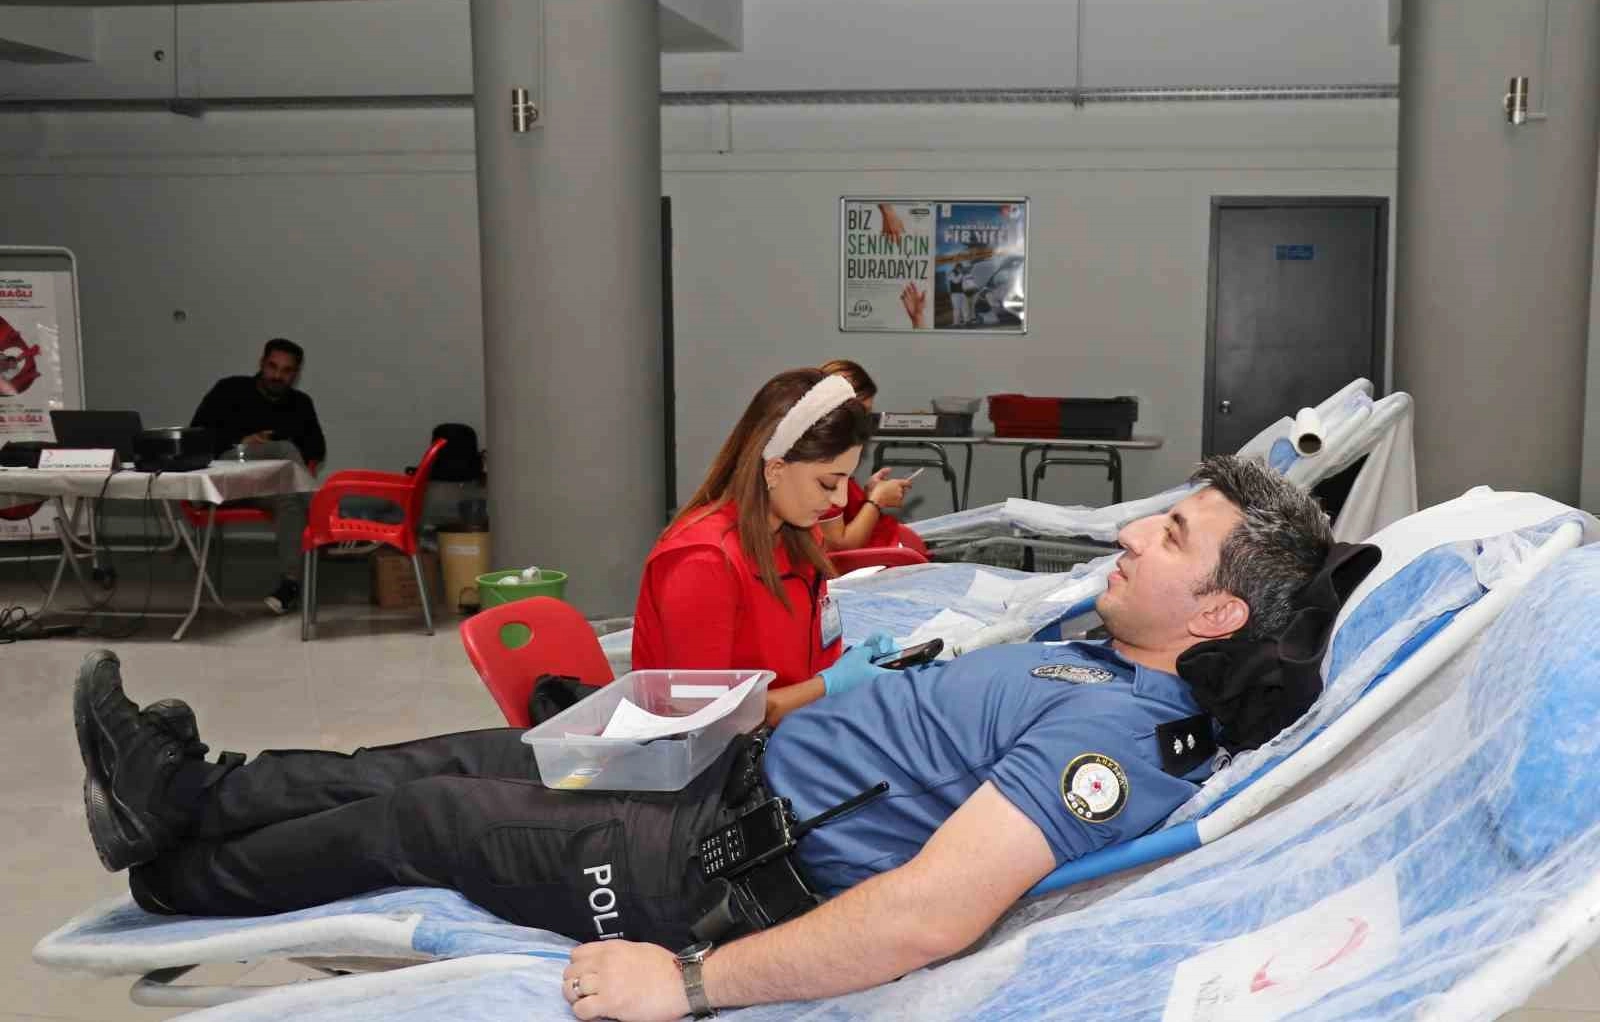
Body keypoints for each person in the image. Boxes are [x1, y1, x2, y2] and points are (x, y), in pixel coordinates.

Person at [73, 455, 1337, 1022]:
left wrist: (684, 985)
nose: (1132, 532)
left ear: (1217, 614)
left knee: (427, 821)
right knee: (449, 755)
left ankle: (178, 878)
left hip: (707, 866)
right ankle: (182, 789)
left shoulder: (1119, 737)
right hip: (719, 774)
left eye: (1171, 535)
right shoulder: (1103, 646)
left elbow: (927, 915)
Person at [631, 368, 902, 720]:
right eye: (827, 483)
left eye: (846, 481)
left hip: (795, 729)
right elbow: (701, 716)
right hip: (723, 749)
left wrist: (848, 662)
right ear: (774, 470)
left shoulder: (799, 537)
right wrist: (828, 686)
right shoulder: (703, 563)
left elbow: (796, 660)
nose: (839, 500)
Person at [189, 339, 326, 615]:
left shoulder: (300, 403)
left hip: (266, 487)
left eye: (286, 371)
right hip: (225, 480)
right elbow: (197, 437)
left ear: (296, 374)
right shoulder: (229, 389)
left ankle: (290, 585)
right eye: (272, 367)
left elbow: (317, 450)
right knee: (285, 449)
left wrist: (272, 446)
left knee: (289, 497)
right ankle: (326, 519)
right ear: (261, 363)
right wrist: (243, 442)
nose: (277, 375)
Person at [814, 359, 923, 555]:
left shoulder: (832, 456)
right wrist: (877, 501)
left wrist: (867, 496)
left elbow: (841, 515)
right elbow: (839, 547)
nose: (863, 426)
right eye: (861, 415)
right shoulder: (821, 462)